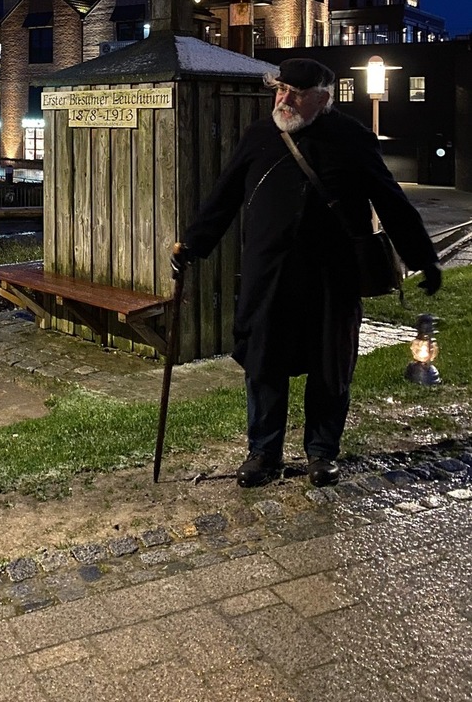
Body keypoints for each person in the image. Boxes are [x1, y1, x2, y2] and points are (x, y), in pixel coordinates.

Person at [174, 57, 441, 489]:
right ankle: (263, 451)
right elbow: (224, 196)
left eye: (295, 94)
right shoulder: (260, 136)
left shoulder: (352, 138)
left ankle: (321, 452)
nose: (284, 100)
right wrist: (193, 245)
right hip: (270, 275)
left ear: (322, 98)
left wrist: (423, 257)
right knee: (265, 365)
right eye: (280, 90)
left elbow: (391, 201)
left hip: (331, 279)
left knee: (329, 367)